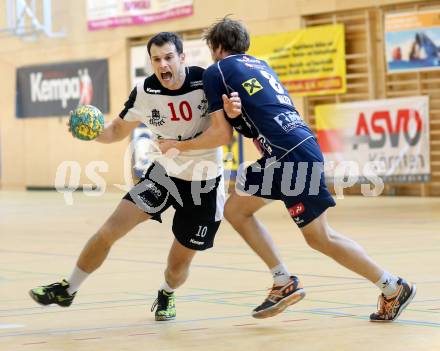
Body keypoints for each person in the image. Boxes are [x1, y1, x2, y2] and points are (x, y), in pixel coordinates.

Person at [158, 18, 416, 322]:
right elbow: (257, 118)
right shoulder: (261, 66)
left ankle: (392, 286)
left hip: (288, 156)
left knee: (320, 237)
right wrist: (235, 116)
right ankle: (282, 280)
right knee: (237, 209)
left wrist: (176, 144)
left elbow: (220, 135)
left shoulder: (218, 71)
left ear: (216, 48)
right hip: (293, 148)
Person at [29, 32, 233, 321]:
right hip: (164, 176)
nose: (163, 65)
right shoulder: (145, 91)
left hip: (205, 183)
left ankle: (166, 293)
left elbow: (223, 133)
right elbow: (115, 131)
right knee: (109, 230)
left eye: (169, 57)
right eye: (156, 59)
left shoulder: (205, 82)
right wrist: (91, 133)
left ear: (182, 58)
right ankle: (69, 288)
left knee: (177, 266)